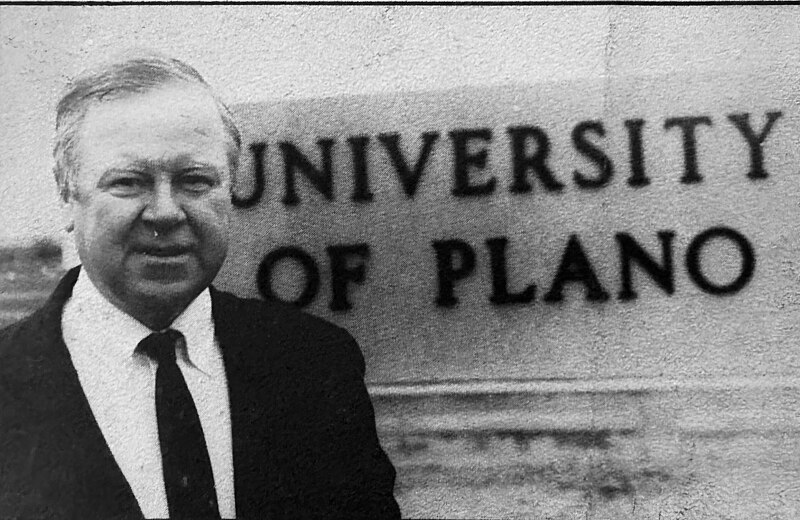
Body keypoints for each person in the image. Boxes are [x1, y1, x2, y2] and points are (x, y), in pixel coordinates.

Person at [0, 52, 400, 519]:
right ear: (67, 194)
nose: (166, 212)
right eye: (129, 182)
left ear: (230, 190)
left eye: (195, 180)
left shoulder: (314, 364)